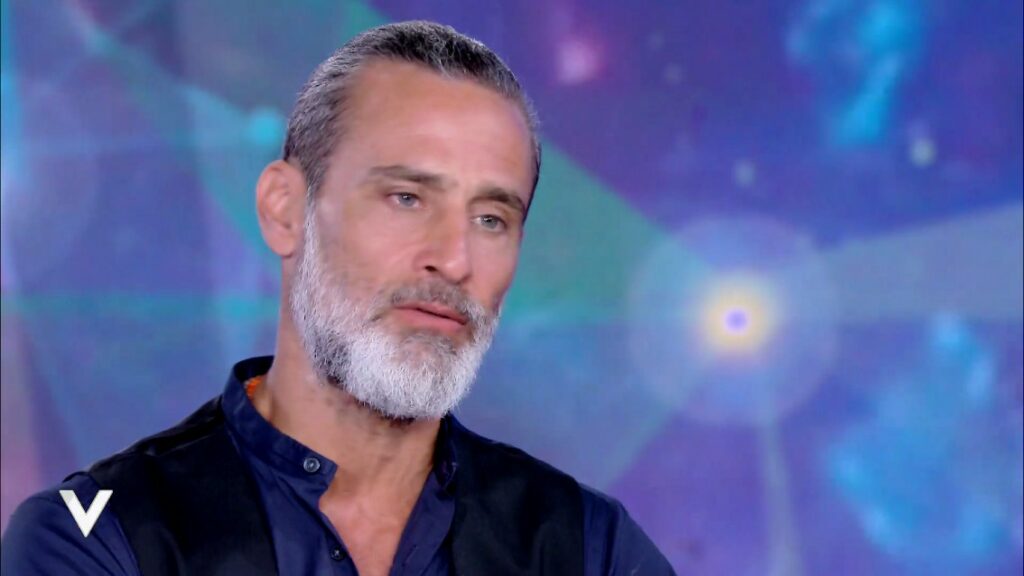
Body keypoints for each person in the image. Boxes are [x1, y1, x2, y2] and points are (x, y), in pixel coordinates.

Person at [1, 21, 675, 576]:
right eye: (406, 198)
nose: (455, 259)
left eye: (491, 218)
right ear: (284, 210)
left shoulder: (589, 547)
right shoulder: (102, 538)